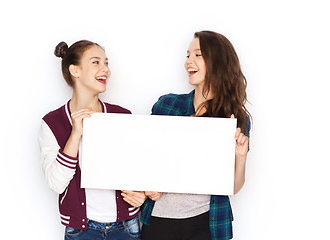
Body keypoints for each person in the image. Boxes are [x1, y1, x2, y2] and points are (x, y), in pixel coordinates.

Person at [140, 31, 251, 240]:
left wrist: (241, 156)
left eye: (197, 55)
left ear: (217, 62)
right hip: (159, 219)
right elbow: (145, 160)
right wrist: (147, 187)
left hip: (206, 222)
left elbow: (233, 187)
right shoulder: (167, 105)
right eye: (187, 55)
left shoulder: (234, 118)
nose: (188, 62)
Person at [39, 40, 146, 239]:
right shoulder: (52, 123)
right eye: (96, 62)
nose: (105, 69)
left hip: (126, 227)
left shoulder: (123, 116)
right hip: (81, 231)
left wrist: (143, 194)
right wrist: (75, 133)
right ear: (75, 70)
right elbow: (56, 184)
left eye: (106, 63)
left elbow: (140, 169)